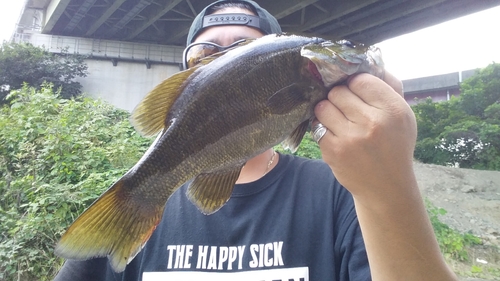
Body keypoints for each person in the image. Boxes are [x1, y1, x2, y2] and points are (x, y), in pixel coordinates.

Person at [54, 1, 458, 280]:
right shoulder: (137, 202)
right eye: (203, 57)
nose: (221, 60)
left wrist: (390, 188)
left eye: (244, 48)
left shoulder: (344, 194)